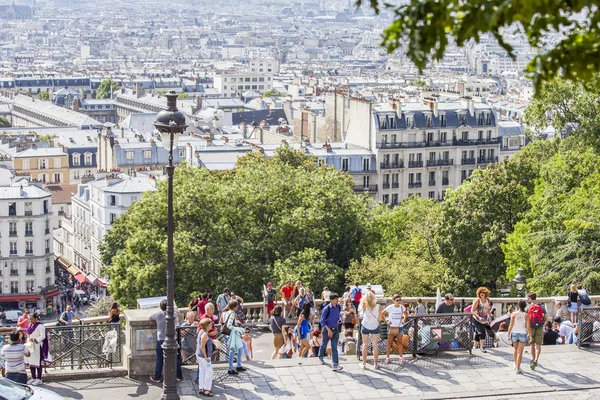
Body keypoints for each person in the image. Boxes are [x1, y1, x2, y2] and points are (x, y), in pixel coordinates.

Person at [149, 299, 183, 383]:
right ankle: (179, 375)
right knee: (175, 358)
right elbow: (177, 324)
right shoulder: (174, 314)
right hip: (172, 338)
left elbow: (150, 317)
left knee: (160, 358)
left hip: (160, 339)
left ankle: (157, 377)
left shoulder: (158, 315)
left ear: (161, 307)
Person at [381, 294, 409, 365]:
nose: (398, 302)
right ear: (393, 301)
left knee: (400, 342)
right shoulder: (390, 307)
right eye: (397, 300)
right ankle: (387, 357)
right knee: (389, 342)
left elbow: (406, 314)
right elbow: (382, 313)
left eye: (400, 300)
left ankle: (400, 357)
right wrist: (386, 321)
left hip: (400, 326)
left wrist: (404, 320)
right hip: (391, 326)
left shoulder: (402, 307)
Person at [319, 293, 343, 371]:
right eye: (335, 299)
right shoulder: (327, 308)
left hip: (335, 328)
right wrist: (328, 330)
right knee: (324, 343)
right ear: (331, 300)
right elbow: (322, 321)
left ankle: (335, 364)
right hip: (326, 329)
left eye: (337, 299)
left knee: (334, 346)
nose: (337, 300)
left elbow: (338, 315)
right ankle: (320, 356)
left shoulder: (338, 307)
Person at [507, 300, 531, 374]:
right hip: (522, 333)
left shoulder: (514, 314)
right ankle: (518, 368)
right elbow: (528, 327)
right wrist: (530, 336)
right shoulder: (526, 315)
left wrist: (508, 334)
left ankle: (515, 363)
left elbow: (511, 325)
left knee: (515, 349)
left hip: (514, 333)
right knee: (520, 352)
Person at [223, 299, 246, 375]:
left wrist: (236, 322)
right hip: (232, 334)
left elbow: (227, 322)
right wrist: (237, 329)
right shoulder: (232, 313)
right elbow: (229, 325)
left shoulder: (227, 312)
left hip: (229, 334)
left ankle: (236, 366)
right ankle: (232, 368)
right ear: (235, 307)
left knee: (239, 348)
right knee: (234, 350)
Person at [359, 291, 381, 369]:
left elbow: (360, 313)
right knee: (375, 345)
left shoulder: (364, 305)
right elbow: (380, 318)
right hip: (374, 326)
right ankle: (375, 364)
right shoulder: (378, 306)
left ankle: (364, 363)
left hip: (365, 325)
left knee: (365, 345)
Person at [25, 313, 48, 386]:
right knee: (31, 362)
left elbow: (43, 336)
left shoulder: (40, 326)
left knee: (38, 362)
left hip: (38, 346)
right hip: (30, 346)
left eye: (32, 319)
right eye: (30, 319)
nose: (30, 320)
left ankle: (39, 378)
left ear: (36, 318)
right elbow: (28, 333)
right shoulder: (30, 325)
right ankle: (33, 377)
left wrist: (35, 339)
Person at [527, 292, 547, 370]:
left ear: (530, 298)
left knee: (532, 344)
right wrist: (542, 323)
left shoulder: (528, 307)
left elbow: (526, 318)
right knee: (538, 345)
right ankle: (536, 359)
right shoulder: (541, 306)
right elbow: (546, 317)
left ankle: (533, 358)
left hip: (531, 327)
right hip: (539, 326)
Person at [471, 287, 495, 353]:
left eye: (483, 292)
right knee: (482, 332)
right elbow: (472, 310)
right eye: (481, 292)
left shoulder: (488, 301)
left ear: (486, 294)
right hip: (476, 318)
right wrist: (478, 317)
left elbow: (488, 311)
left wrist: (489, 318)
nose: (482, 294)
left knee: (478, 333)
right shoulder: (477, 301)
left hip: (483, 319)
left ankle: (474, 346)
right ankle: (482, 346)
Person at [196, 318, 214, 397]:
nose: (211, 325)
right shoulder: (205, 335)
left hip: (200, 355)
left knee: (202, 371)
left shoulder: (201, 331)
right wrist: (206, 357)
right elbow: (202, 347)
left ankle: (201, 387)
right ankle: (206, 389)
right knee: (209, 372)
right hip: (204, 356)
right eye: (210, 324)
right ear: (207, 326)